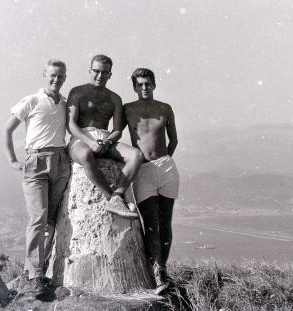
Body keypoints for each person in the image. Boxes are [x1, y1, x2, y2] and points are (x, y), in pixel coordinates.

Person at [3, 59, 71, 298]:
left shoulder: (64, 104)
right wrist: (12, 160)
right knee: (38, 217)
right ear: (45, 74)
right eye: (52, 75)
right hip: (36, 162)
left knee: (51, 219)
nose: (56, 80)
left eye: (61, 76)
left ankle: (40, 269)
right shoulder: (32, 100)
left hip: (61, 162)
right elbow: (8, 129)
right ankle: (33, 275)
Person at [123, 68, 179, 295]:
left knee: (166, 223)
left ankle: (161, 271)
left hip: (166, 167)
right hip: (143, 170)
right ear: (134, 87)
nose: (144, 88)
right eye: (140, 84)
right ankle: (156, 272)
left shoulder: (165, 109)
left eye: (148, 84)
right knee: (151, 224)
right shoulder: (127, 109)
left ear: (154, 85)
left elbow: (173, 139)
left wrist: (163, 161)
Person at [67, 54, 142, 218]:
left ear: (110, 74)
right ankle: (111, 198)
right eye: (96, 71)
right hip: (81, 138)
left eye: (104, 72)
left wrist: (108, 142)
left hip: (104, 138)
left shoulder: (114, 98)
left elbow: (117, 129)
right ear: (89, 71)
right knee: (86, 155)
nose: (100, 76)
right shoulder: (77, 92)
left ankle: (117, 195)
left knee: (136, 155)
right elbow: (71, 124)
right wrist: (90, 142)